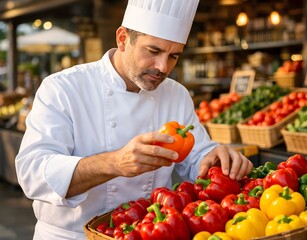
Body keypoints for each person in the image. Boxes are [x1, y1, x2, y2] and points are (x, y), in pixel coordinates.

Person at [15, 0, 253, 239]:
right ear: (122, 39)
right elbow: (33, 174)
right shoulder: (63, 88)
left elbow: (197, 156)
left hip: (146, 232)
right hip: (71, 235)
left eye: (174, 56)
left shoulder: (176, 94)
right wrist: (114, 163)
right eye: (153, 51)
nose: (162, 67)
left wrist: (216, 157)